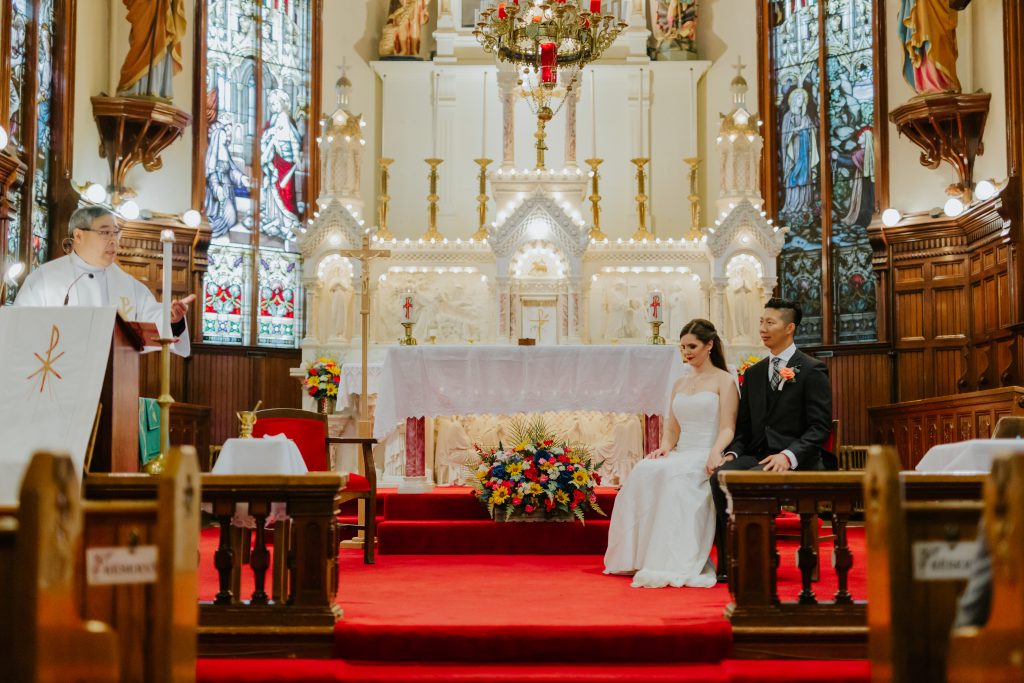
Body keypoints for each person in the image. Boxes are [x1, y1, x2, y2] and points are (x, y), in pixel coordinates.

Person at [604, 319, 738, 588]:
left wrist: (716, 452)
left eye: (692, 346)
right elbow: (672, 429)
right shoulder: (679, 383)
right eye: (682, 347)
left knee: (677, 483)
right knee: (644, 471)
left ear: (709, 345)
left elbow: (727, 426)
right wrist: (664, 448)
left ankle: (671, 561)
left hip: (706, 452)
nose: (686, 352)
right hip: (681, 451)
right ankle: (636, 557)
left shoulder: (725, 380)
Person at [711, 298, 833, 582]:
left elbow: (819, 427)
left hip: (797, 461)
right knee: (720, 478)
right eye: (761, 322)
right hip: (757, 456)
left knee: (751, 482)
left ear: (790, 327)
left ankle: (758, 561)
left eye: (770, 323)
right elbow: (744, 430)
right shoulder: (752, 374)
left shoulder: (812, 370)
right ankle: (730, 562)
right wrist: (732, 454)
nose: (763, 329)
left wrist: (788, 456)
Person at [14, 206, 194, 357]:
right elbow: (20, 331)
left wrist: (173, 320)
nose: (113, 240)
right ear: (78, 235)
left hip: (115, 384)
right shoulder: (45, 279)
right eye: (105, 232)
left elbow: (153, 322)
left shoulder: (127, 285)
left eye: (115, 233)